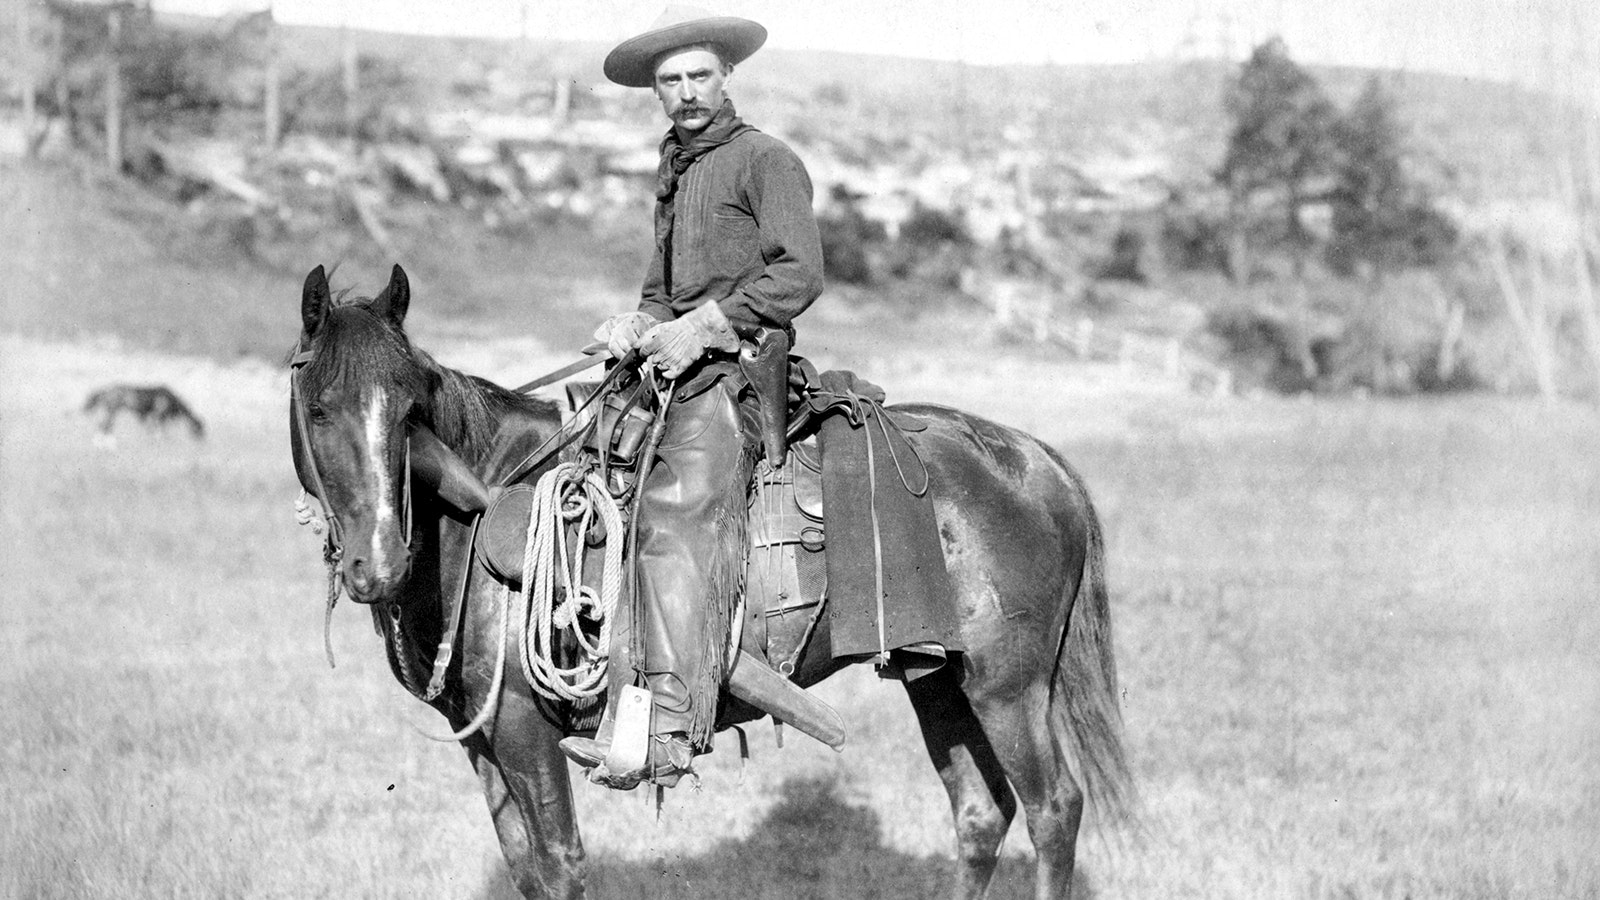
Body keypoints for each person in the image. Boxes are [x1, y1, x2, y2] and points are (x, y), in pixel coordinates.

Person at [559, 6, 825, 788]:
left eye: (698, 76)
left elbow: (799, 273)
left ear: (727, 77)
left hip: (741, 371)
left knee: (676, 514)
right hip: (679, 366)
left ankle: (670, 729)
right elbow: (659, 290)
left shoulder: (764, 160)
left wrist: (709, 324)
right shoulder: (676, 168)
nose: (685, 92)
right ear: (656, 94)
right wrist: (635, 323)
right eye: (670, 82)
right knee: (581, 468)